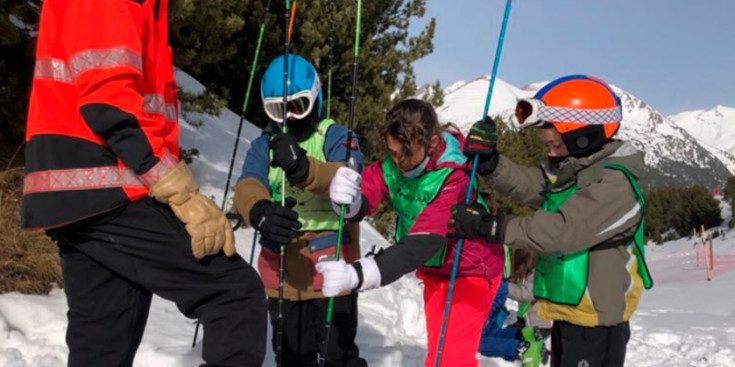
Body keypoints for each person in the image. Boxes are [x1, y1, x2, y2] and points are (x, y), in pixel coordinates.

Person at [22, 0, 266, 365]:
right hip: (111, 185)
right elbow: (109, 101)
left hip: (82, 191)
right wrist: (179, 190)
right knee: (233, 293)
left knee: (103, 342)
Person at [449, 75, 653, 367]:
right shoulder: (579, 170)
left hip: (595, 320)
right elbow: (535, 186)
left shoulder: (614, 183)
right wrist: (492, 164)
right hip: (570, 310)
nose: (550, 151)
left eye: (556, 143)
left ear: (586, 135)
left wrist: (493, 227)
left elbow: (561, 231)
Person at [316, 98, 505, 367]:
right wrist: (347, 200)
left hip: (471, 270)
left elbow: (423, 240)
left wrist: (359, 274)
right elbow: (369, 192)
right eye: (392, 153)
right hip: (435, 271)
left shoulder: (455, 176)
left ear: (431, 144)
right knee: (438, 357)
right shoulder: (396, 161)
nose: (398, 161)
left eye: (405, 154)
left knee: (452, 361)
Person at [234, 53, 367, 366]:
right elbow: (247, 183)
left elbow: (349, 179)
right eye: (278, 109)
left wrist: (303, 167)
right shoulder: (263, 144)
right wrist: (259, 210)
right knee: (291, 356)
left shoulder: (335, 136)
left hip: (331, 269)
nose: (289, 117)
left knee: (338, 356)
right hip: (282, 273)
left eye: (298, 106)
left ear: (315, 98)